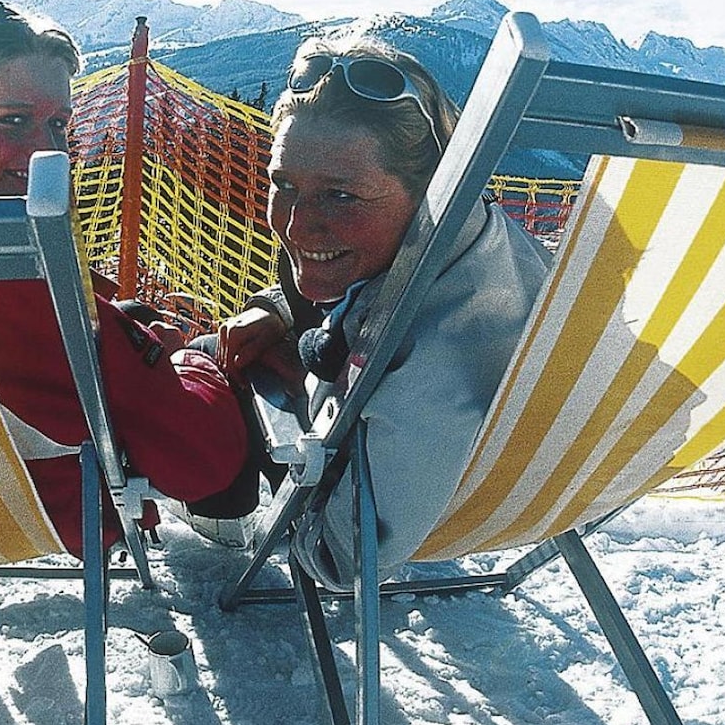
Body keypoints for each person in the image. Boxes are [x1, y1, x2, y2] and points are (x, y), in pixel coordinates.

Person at [0, 0, 251, 556]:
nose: (44, 151)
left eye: (57, 124)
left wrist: (117, 323)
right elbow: (199, 460)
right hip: (26, 511)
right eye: (12, 121)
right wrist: (187, 361)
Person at [213, 32, 554, 587]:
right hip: (546, 495)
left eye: (340, 195)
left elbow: (342, 557)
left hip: (371, 516)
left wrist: (288, 523)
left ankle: (211, 516)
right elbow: (345, 293)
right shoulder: (488, 243)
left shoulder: (430, 358)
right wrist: (278, 309)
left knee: (212, 364)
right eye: (284, 184)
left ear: (430, 191)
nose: (295, 225)